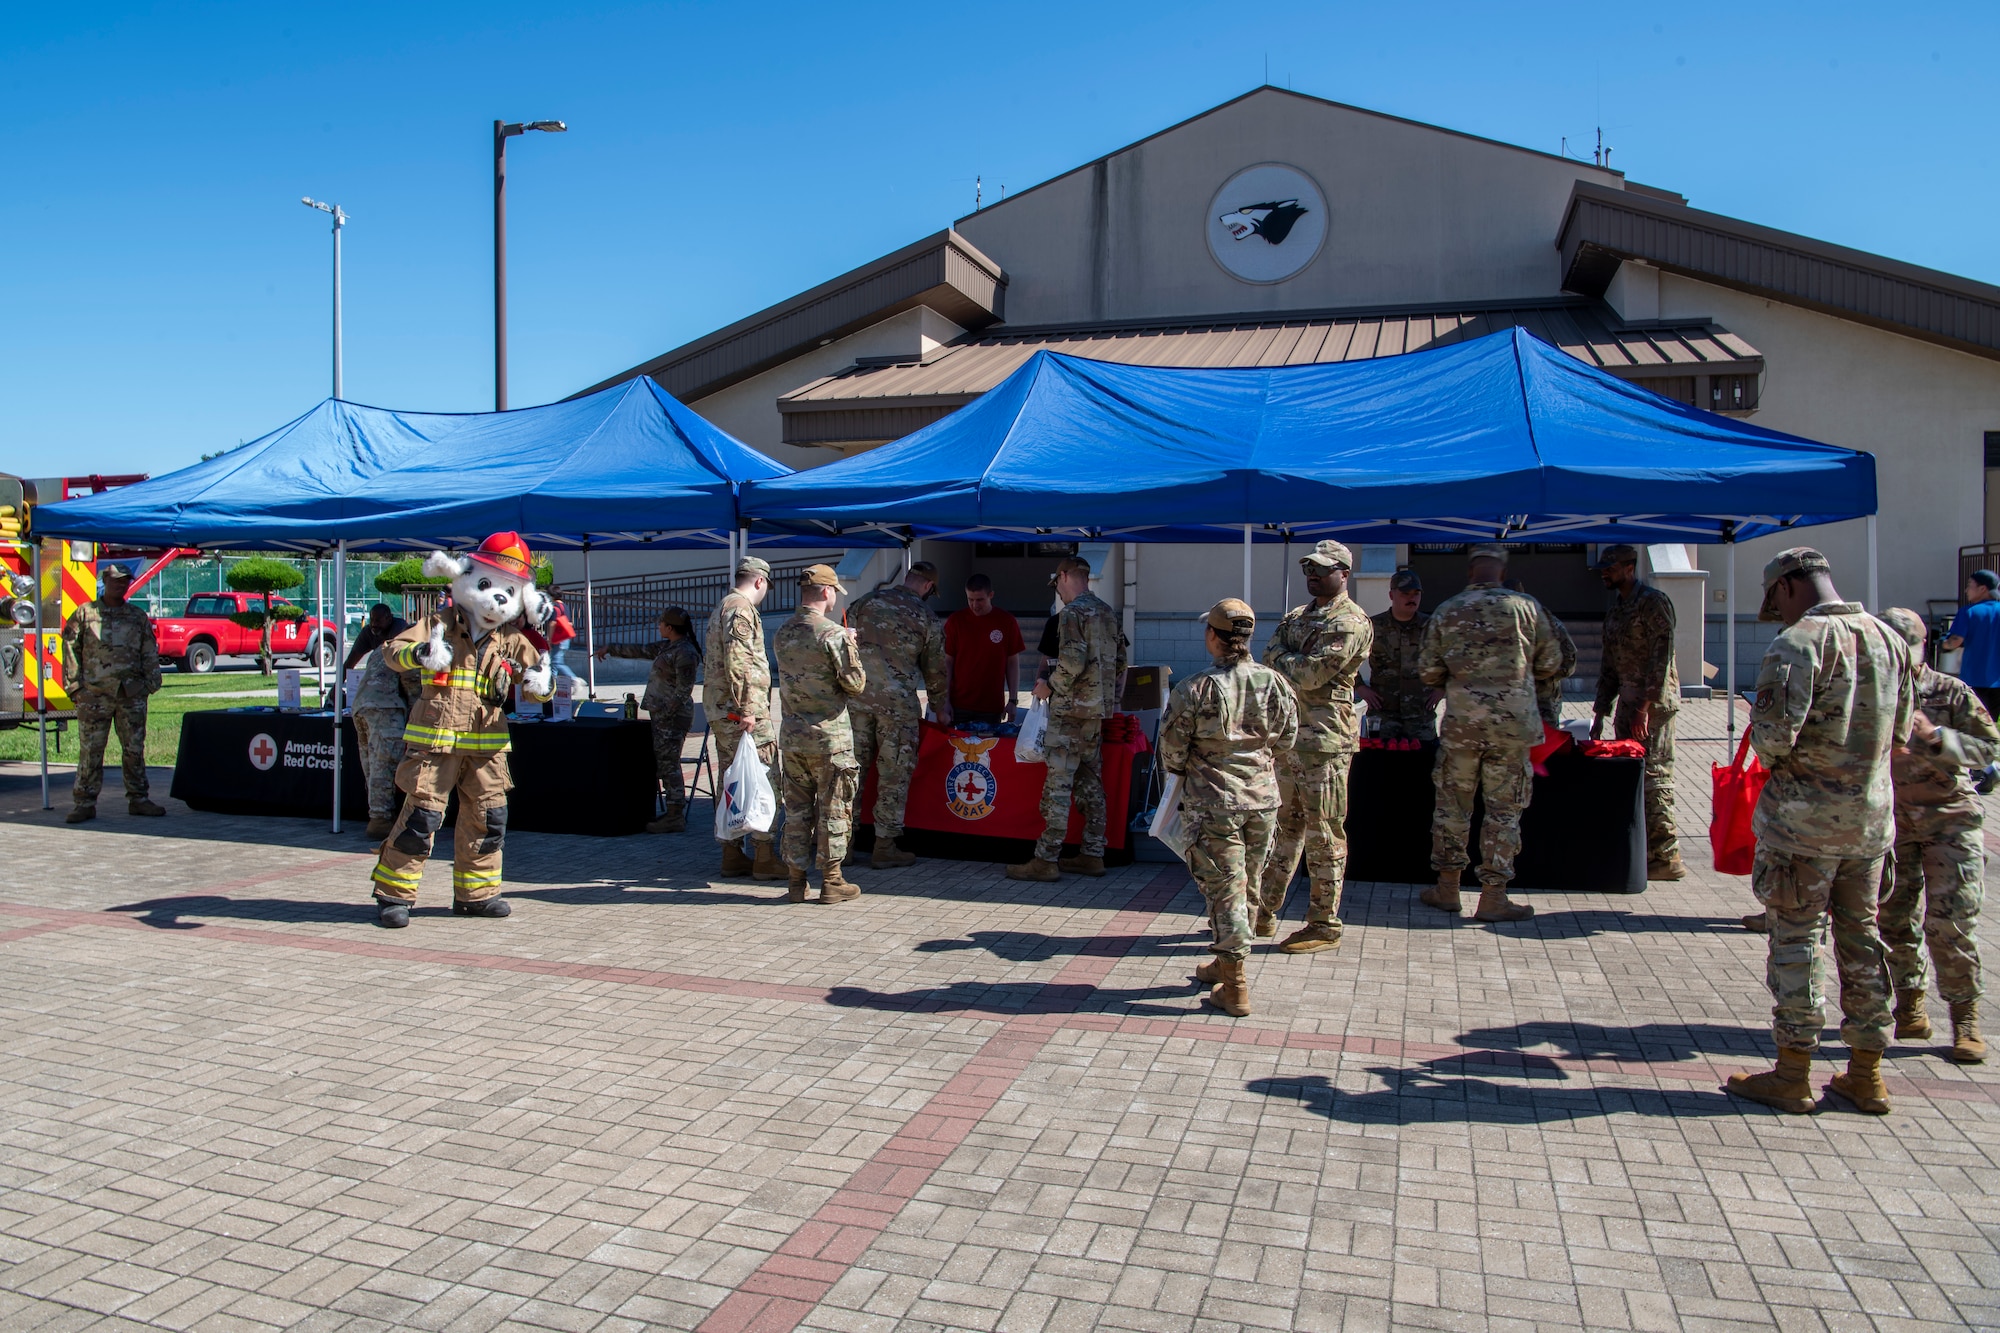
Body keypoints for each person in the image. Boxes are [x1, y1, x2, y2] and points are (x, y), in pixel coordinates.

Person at [1725, 548, 1913, 1116]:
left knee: (1797, 943)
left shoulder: (1797, 644)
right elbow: (1900, 733)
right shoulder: (1890, 639)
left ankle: (1793, 1072)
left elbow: (1774, 739)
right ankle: (1866, 1074)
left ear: (1785, 587)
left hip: (1802, 828)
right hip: (1871, 825)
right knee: (1863, 943)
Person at [368, 533, 554, 927]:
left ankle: (477, 894)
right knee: (422, 820)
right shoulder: (440, 624)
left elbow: (541, 682)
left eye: (508, 590)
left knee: (489, 820)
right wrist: (420, 654)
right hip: (436, 742)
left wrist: (541, 684)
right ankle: (393, 895)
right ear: (467, 580)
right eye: (487, 585)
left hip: (486, 749)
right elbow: (391, 652)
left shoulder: (512, 640)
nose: (495, 599)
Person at [1160, 599, 1297, 1016]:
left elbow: (1172, 750)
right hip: (1262, 802)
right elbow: (1287, 740)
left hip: (1214, 803)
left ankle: (1235, 984)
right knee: (1246, 886)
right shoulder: (1275, 683)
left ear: (1214, 638)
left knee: (1225, 892)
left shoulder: (1195, 688)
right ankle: (1225, 960)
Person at [1417, 544, 1563, 923]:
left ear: (1470, 572)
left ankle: (1448, 887)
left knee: (1452, 808)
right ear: (1501, 570)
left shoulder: (1447, 611)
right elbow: (1551, 661)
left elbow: (1429, 672)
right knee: (1504, 812)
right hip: (1512, 730)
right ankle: (1493, 896)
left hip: (1463, 728)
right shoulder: (1527, 608)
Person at [1879, 607, 1992, 1064]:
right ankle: (1910, 1006)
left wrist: (1938, 736)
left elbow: (1990, 748)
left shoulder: (1950, 691)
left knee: (1950, 923)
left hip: (1950, 821)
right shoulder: (1872, 690)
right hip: (1893, 823)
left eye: (1908, 644)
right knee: (1892, 920)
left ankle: (1965, 1019)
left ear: (1923, 645)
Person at [1256, 540, 1372, 953]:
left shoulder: (1350, 621)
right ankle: (1264, 911)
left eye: (1322, 569)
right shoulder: (1297, 616)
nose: (1312, 574)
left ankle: (1324, 923)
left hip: (1325, 742)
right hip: (1290, 739)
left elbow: (1309, 674)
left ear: (1344, 573)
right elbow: (1266, 657)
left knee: (1324, 833)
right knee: (1285, 827)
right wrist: (1286, 659)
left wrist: (1285, 659)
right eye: (1308, 567)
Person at [1008, 557, 1127, 882]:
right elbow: (1120, 662)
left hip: (1070, 712)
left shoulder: (1072, 613)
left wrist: (1049, 685)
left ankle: (1046, 860)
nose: (1058, 592)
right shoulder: (1106, 612)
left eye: (1057, 584)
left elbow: (1072, 659)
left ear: (1064, 576)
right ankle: (1092, 854)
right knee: (1091, 784)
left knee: (1058, 787)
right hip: (1095, 713)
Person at [1590, 545, 1685, 880]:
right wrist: (1601, 711)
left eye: (1610, 568)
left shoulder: (1653, 603)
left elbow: (1662, 656)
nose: (1604, 573)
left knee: (1655, 777)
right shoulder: (1616, 611)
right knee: (1632, 777)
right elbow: (1609, 665)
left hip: (1653, 707)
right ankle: (1643, 850)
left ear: (1629, 568)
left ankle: (1667, 856)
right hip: (1628, 706)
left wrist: (1645, 706)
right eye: (1603, 568)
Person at [774, 564, 867, 903]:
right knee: (833, 808)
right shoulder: (834, 634)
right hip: (830, 739)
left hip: (793, 737)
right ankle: (832, 880)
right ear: (827, 592)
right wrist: (851, 646)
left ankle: (795, 881)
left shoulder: (783, 632)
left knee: (796, 810)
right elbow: (855, 685)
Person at [849, 562, 948, 868]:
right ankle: (884, 846)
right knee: (893, 775)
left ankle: (844, 844)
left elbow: (844, 641)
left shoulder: (865, 602)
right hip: (898, 707)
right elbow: (935, 670)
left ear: (907, 578)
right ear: (929, 587)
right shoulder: (927, 617)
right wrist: (940, 707)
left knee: (851, 773)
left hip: (857, 701)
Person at [61, 565, 164, 823]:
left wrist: (150, 683)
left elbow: (149, 651)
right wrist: (75, 687)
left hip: (131, 694)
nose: (121, 585)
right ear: (105, 580)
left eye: (125, 581)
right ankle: (84, 802)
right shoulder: (86, 614)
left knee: (134, 749)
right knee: (91, 750)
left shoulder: (136, 616)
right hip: (94, 695)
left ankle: (138, 798)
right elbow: (70, 648)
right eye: (116, 580)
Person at [703, 556, 784, 881]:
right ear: (760, 581)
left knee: (733, 780)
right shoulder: (740, 609)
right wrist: (749, 708)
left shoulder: (724, 605)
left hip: (724, 711)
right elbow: (739, 662)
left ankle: (732, 853)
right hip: (741, 713)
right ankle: (764, 855)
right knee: (765, 778)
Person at [596, 608, 701, 833]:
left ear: (670, 627)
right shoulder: (667, 647)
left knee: (669, 764)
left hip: (672, 717)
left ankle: (675, 815)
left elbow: (684, 689)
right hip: (662, 714)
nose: (658, 626)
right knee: (664, 763)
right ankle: (673, 810)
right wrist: (611, 648)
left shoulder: (685, 652)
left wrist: (667, 712)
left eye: (662, 623)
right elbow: (639, 650)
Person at [349, 604, 418, 840]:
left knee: (371, 765)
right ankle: (379, 820)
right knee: (384, 765)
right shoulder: (407, 649)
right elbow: (413, 690)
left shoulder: (382, 647)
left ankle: (376, 814)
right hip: (385, 710)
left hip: (361, 708)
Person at [1357, 569, 1439, 741]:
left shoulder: (1431, 626)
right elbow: (1346, 659)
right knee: (1381, 764)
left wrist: (1442, 689)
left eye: (1416, 593)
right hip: (1384, 714)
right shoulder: (1372, 626)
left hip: (1420, 715)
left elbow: (1450, 658)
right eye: (1405, 593)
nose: (1411, 598)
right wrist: (1360, 687)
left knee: (1422, 765)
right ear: (1391, 595)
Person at [1943, 570, 2000, 791]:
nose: (1967, 590)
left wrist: (1944, 644)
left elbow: (1956, 640)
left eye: (1970, 585)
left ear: (1982, 589)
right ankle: (1983, 766)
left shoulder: (1969, 612)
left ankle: (1988, 768)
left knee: (1968, 729)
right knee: (1990, 726)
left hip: (1976, 679)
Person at [943, 573, 1024, 726]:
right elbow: (947, 663)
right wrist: (945, 700)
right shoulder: (956, 621)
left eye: (980, 600)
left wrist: (1013, 700)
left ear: (991, 595)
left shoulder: (1006, 621)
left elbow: (1012, 663)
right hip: (959, 705)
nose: (974, 605)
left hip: (991, 707)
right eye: (970, 600)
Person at [343, 603, 407, 672]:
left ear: (389, 619)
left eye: (378, 621)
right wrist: (339, 681)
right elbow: (350, 661)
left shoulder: (399, 628)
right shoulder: (368, 632)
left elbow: (395, 658)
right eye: (371, 620)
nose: (374, 624)